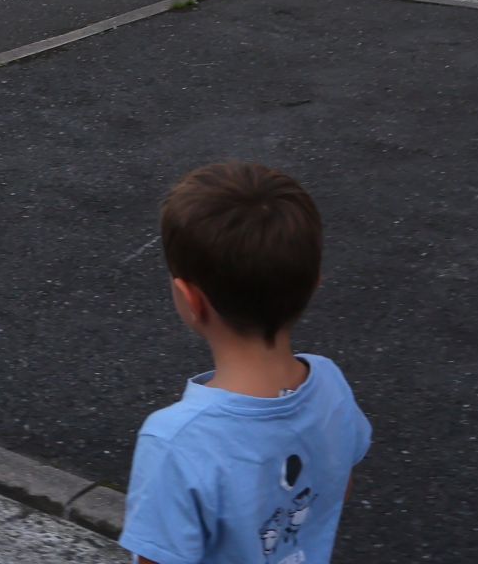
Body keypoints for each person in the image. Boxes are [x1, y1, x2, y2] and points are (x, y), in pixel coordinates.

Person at [121, 162, 371, 564]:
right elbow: (338, 484)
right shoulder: (331, 385)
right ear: (314, 284)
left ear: (191, 299)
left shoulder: (175, 442)